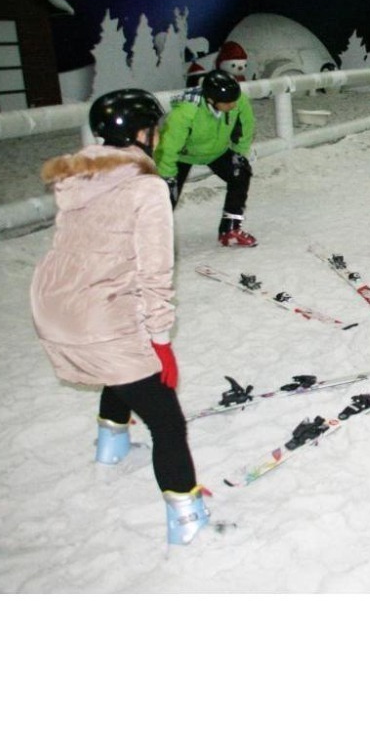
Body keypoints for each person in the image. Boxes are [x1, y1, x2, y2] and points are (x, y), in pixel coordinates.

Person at [30, 89, 210, 546]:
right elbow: (155, 271)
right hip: (97, 317)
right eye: (154, 130)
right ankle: (187, 516)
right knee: (167, 420)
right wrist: (161, 340)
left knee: (118, 362)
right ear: (140, 134)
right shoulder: (146, 188)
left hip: (53, 306)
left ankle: (111, 445)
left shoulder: (77, 178)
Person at [154, 68, 258, 247]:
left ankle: (230, 228)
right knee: (166, 196)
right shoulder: (186, 112)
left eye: (234, 100)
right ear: (211, 99)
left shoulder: (236, 100)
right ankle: (153, 240)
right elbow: (169, 146)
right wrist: (167, 176)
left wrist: (239, 154)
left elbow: (246, 127)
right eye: (227, 103)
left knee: (241, 173)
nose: (233, 105)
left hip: (216, 151)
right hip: (182, 156)